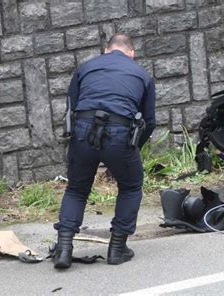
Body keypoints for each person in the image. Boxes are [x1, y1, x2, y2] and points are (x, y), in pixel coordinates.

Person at [52, 33, 156, 269]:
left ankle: (64, 248)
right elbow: (149, 121)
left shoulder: (86, 67)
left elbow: (71, 106)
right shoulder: (141, 73)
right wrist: (133, 150)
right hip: (120, 134)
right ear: (132, 53)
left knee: (77, 189)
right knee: (130, 187)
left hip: (83, 131)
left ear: (106, 49)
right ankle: (117, 249)